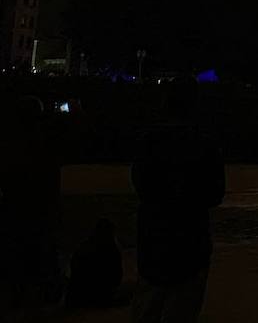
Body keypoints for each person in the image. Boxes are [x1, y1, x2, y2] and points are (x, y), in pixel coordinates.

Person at [130, 77, 226, 323]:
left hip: (154, 238)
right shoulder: (204, 143)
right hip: (190, 240)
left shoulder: (148, 141)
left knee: (148, 307)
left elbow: (141, 185)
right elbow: (215, 193)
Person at [0, 96, 63, 320]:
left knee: (8, 282)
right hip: (38, 222)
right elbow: (53, 189)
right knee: (36, 282)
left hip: (13, 219)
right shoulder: (47, 150)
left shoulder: (7, 149)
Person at [65, 218, 123, 308]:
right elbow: (116, 277)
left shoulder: (83, 247)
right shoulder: (110, 250)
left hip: (76, 298)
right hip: (98, 298)